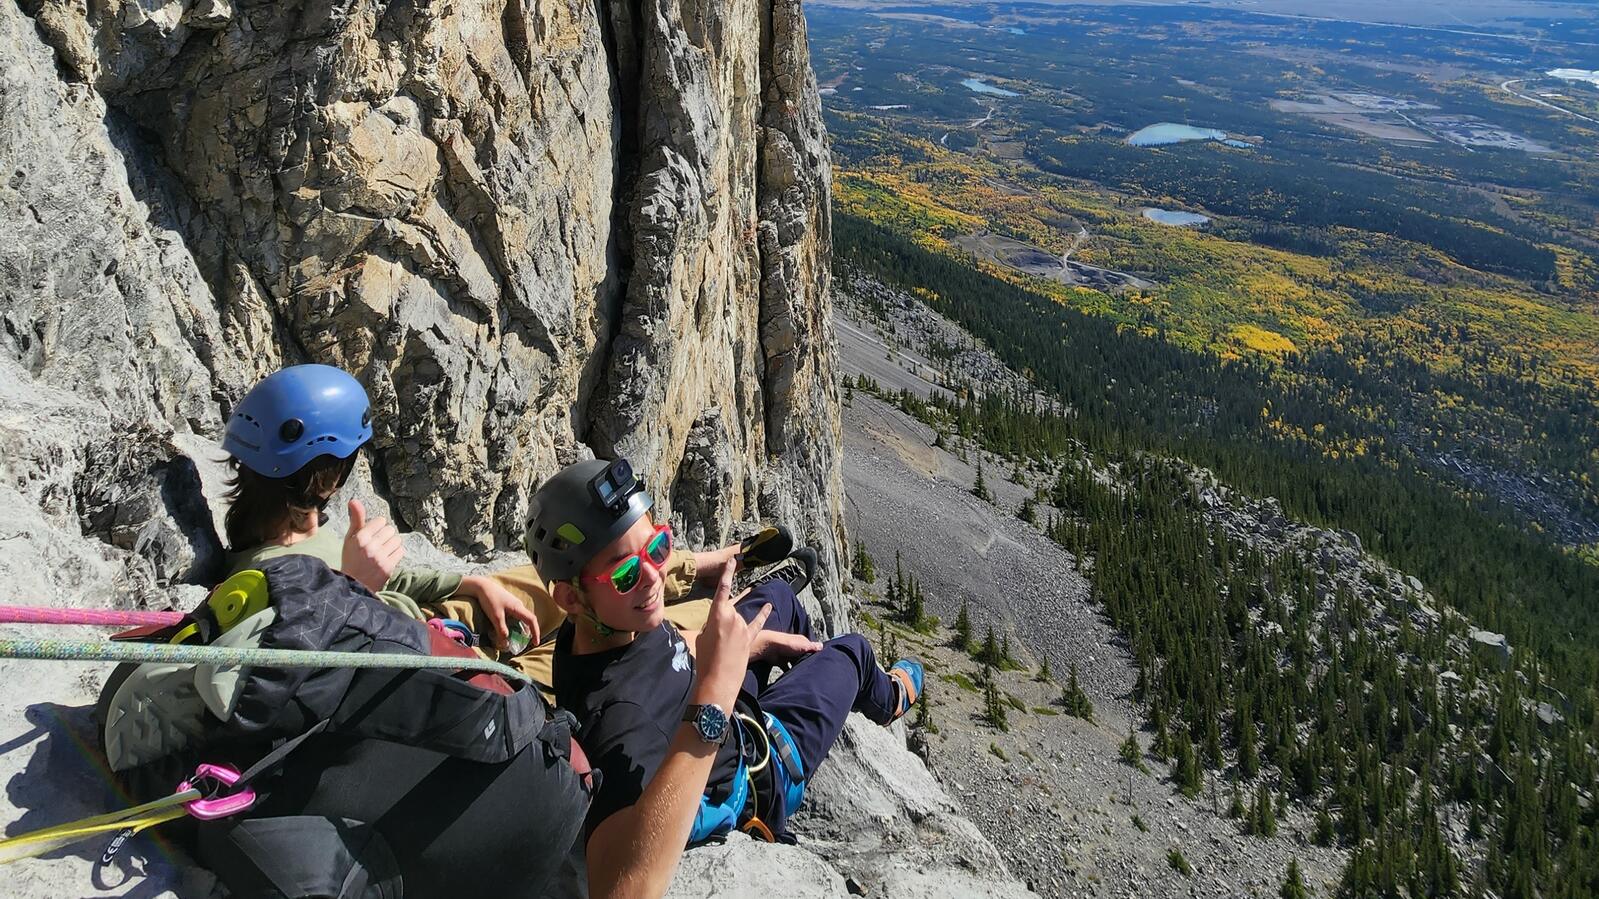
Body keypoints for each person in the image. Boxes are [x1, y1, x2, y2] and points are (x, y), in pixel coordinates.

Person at [218, 364, 753, 697]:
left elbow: (392, 582)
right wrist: (355, 589)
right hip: (428, 664)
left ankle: (694, 566)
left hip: (432, 619)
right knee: (591, 640)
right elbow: (327, 658)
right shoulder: (262, 579)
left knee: (551, 575)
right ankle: (734, 615)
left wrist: (469, 582)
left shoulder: (296, 533)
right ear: (322, 475)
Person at [531, 457, 925, 897]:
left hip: (721, 696)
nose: (653, 578)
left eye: (657, 549)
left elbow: (663, 654)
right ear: (570, 597)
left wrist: (748, 649)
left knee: (777, 599)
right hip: (760, 770)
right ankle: (886, 697)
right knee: (853, 652)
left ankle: (808, 669)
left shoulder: (603, 629)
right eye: (626, 574)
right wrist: (716, 696)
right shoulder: (621, 718)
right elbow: (621, 888)